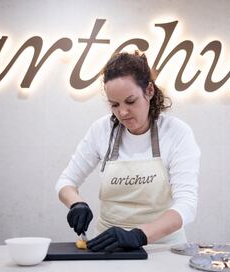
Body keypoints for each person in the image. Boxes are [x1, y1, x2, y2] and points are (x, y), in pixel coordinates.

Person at [55, 51, 200, 252]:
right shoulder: (101, 130)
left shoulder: (176, 133)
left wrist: (140, 235)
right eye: (114, 105)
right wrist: (76, 203)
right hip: (108, 249)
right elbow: (65, 182)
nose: (122, 112)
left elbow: (186, 205)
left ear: (149, 91)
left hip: (163, 249)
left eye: (130, 101)